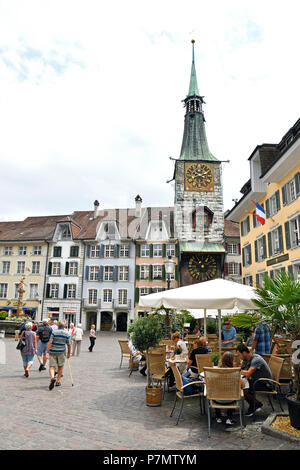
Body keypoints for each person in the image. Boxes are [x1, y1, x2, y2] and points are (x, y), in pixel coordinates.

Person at [236, 343, 273, 416]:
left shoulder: (256, 359)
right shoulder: (247, 359)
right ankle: (254, 404)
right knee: (242, 385)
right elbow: (241, 368)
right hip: (257, 381)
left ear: (244, 353)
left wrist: (235, 370)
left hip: (266, 384)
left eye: (239, 355)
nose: (239, 357)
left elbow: (248, 373)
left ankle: (256, 404)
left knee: (244, 388)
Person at [214, 351, 246, 426]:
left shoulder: (215, 372)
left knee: (214, 391)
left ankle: (218, 416)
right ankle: (229, 418)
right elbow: (243, 386)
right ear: (232, 361)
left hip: (217, 399)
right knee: (233, 392)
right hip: (231, 400)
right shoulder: (235, 372)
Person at [46, 320, 71, 390]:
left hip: (52, 351)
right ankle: (58, 381)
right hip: (61, 352)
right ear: (65, 326)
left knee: (52, 366)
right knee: (60, 367)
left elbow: (50, 342)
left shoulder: (54, 332)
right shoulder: (67, 333)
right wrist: (69, 353)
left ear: (58, 325)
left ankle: (52, 378)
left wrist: (47, 352)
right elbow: (69, 344)